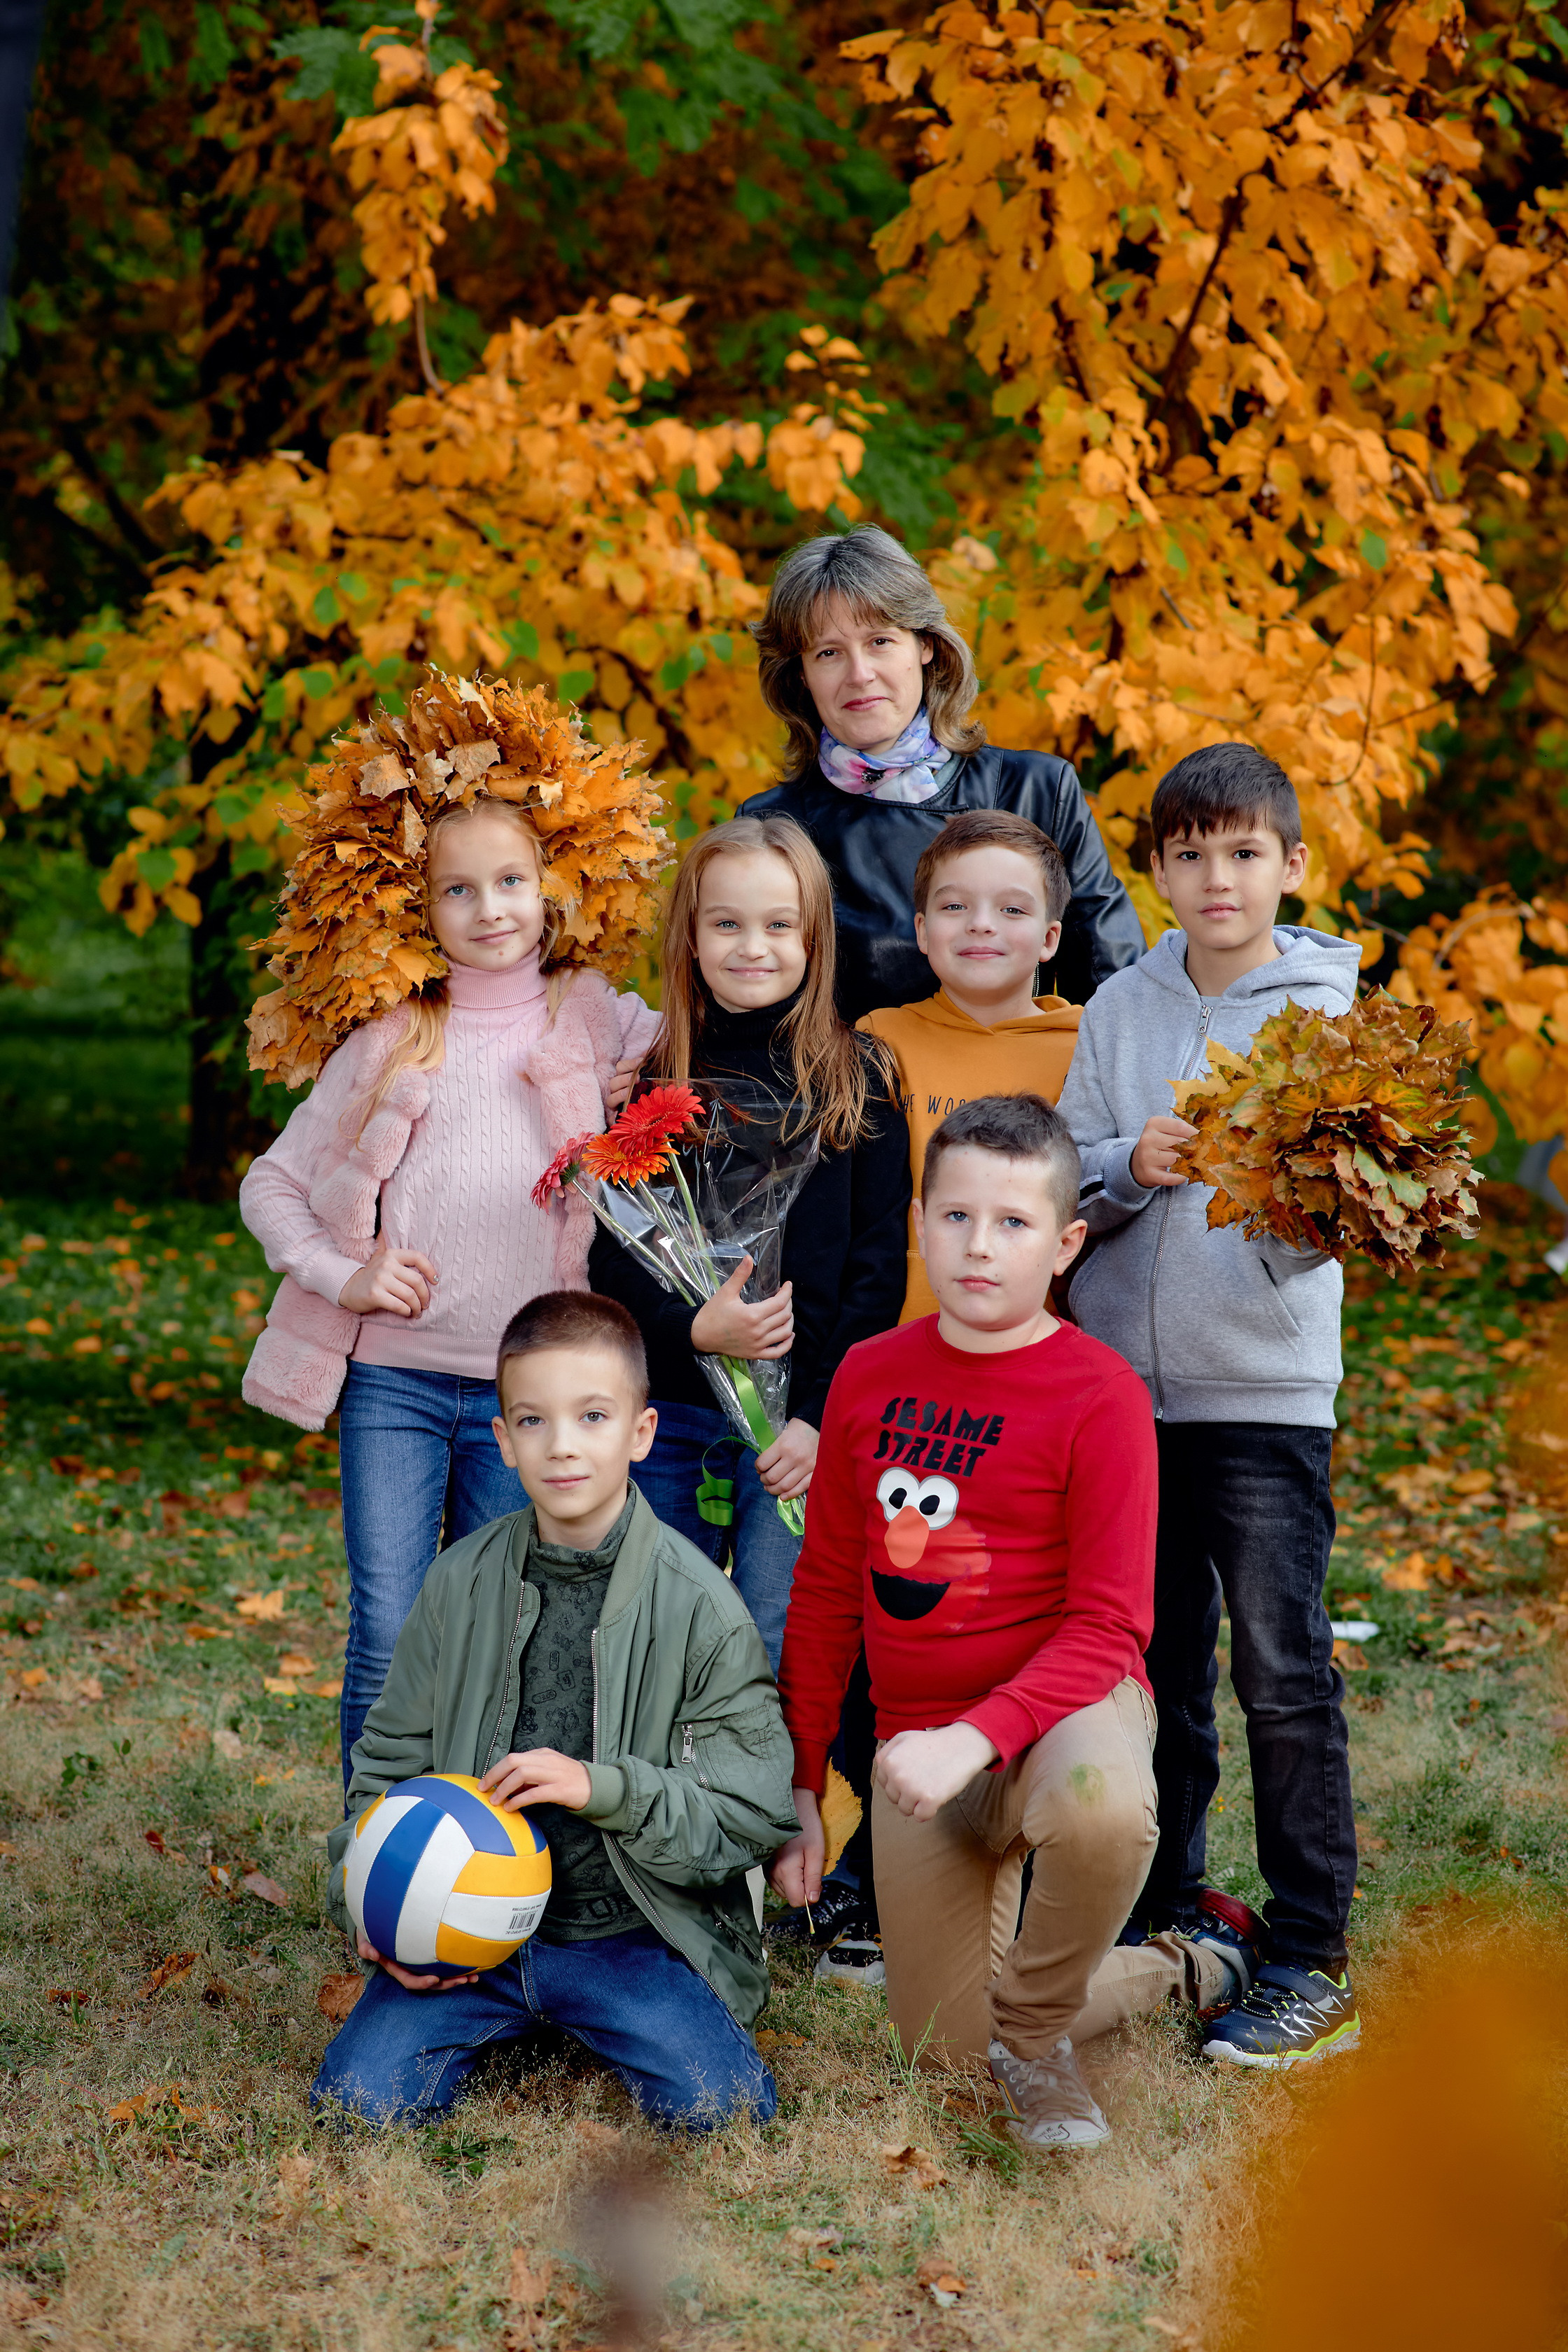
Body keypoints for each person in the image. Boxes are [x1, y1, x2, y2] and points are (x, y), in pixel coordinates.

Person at [770, 1096, 1254, 2150]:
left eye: (1014, 1224)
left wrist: (972, 1738)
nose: (979, 1247)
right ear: (919, 1222)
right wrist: (804, 1789)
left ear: (1067, 1241)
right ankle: (1188, 1967)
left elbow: (1112, 1629)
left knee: (1102, 1810)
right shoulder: (869, 1373)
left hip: (1058, 1717)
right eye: (955, 1218)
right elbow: (824, 1593)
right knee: (944, 2064)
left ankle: (1040, 2031)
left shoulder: (1101, 1394)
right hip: (918, 1756)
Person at [241, 786, 658, 1786]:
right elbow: (274, 1183)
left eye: (512, 881)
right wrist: (347, 1275)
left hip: (529, 1399)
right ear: (419, 910)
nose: (491, 908)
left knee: (493, 1631)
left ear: (551, 888)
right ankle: (372, 1847)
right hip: (400, 1386)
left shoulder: (593, 1015)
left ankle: (469, 1853)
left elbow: (706, 1049)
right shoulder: (395, 1035)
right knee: (390, 1620)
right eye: (458, 889)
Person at [314, 1289, 799, 2132]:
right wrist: (374, 1900)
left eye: (592, 1416)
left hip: (631, 1935)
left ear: (640, 1434)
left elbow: (750, 1813)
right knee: (359, 2105)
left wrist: (598, 1787)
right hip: (470, 1936)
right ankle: (502, 2011)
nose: (563, 1446)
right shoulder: (458, 1581)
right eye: (533, 1422)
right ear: (501, 1440)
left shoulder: (699, 1607)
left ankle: (589, 2012)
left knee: (724, 2113)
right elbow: (388, 1760)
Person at [1058, 741, 1363, 2067]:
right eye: (1189, 853)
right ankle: (1170, 1913)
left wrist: (1250, 1182)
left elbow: (1354, 1214)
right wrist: (1133, 1161)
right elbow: (1068, 1179)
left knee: (1280, 1671)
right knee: (1155, 1666)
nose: (1217, 875)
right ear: (1159, 869)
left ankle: (1309, 1952)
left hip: (1265, 1391)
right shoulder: (1120, 1007)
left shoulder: (1332, 1018)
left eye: (1244, 852)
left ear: (1291, 865)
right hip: (1128, 1393)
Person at [587, 816, 910, 1674]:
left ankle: (774, 1806)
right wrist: (696, 1331)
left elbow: (877, 1271)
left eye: (777, 925)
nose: (751, 947)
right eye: (725, 924)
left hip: (801, 1435)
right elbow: (613, 1259)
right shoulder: (656, 1078)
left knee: (778, 1634)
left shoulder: (859, 1078)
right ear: (689, 937)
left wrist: (815, 1417)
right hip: (678, 1415)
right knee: (658, 1634)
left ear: (814, 937)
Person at [740, 525, 1144, 1019]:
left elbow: (1116, 994)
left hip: (1025, 1089)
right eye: (828, 653)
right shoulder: (772, 826)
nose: (860, 673)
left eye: (880, 641)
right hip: (849, 1096)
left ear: (926, 646)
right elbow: (744, 1010)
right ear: (800, 673)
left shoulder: (1037, 791)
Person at [860, 807, 1082, 1320]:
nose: (981, 924)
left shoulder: (1086, 1048)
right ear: (922, 929)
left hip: (1027, 1356)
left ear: (1050, 939)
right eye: (955, 905)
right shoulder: (877, 1041)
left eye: (1012, 910)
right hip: (888, 1348)